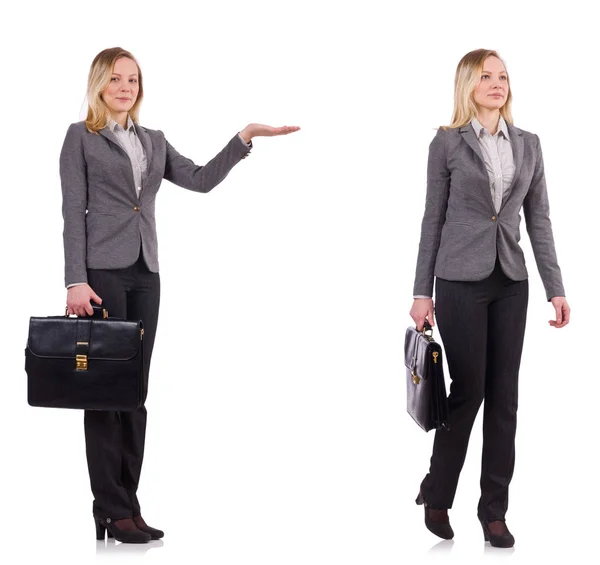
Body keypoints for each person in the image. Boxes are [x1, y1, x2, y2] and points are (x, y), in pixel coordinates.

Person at [60, 47, 300, 544]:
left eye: (133, 79)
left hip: (146, 273)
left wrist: (244, 138)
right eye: (116, 79)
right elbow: (73, 210)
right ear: (99, 84)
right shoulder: (80, 137)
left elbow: (200, 180)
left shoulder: (154, 140)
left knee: (135, 393)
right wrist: (74, 280)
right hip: (101, 273)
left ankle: (128, 504)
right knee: (105, 393)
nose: (126, 87)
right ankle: (110, 505)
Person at [409, 48, 569, 548]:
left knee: (505, 398)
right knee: (469, 390)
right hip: (458, 280)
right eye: (486, 77)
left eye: (503, 76)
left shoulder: (529, 144)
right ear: (468, 85)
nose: (497, 83)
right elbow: (432, 218)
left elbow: (538, 218)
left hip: (510, 281)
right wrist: (421, 291)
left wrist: (555, 287)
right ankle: (438, 491)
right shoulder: (447, 143)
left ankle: (493, 510)